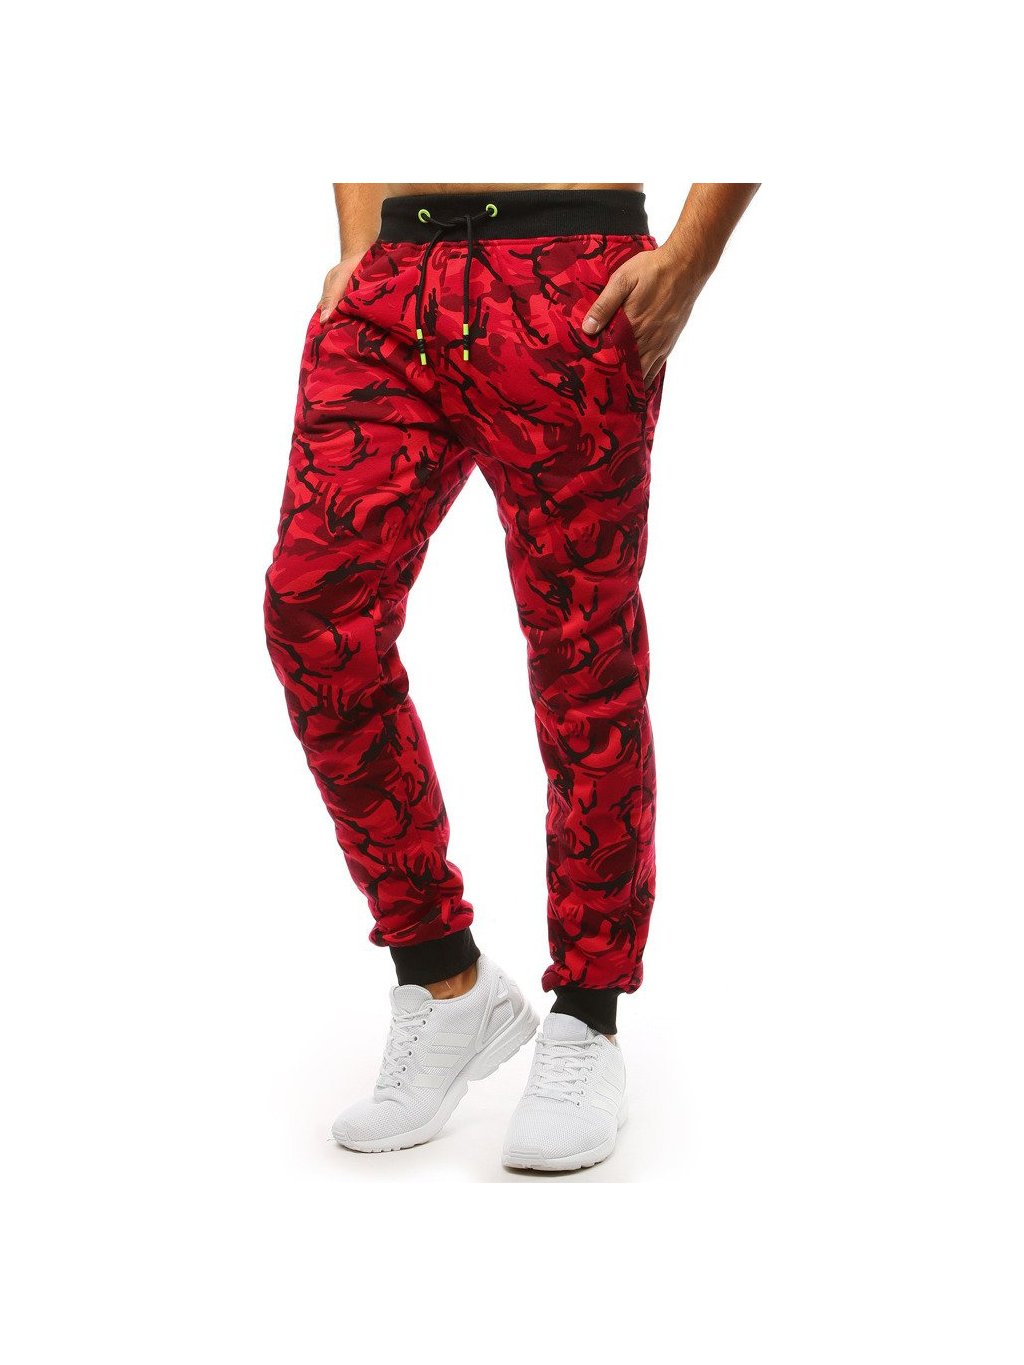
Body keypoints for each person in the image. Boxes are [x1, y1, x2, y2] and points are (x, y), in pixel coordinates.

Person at [264, 182, 759, 1171]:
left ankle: (587, 1015)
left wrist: (691, 259)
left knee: (582, 653)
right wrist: (361, 243)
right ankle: (442, 977)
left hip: (570, 278)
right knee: (313, 614)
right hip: (395, 284)